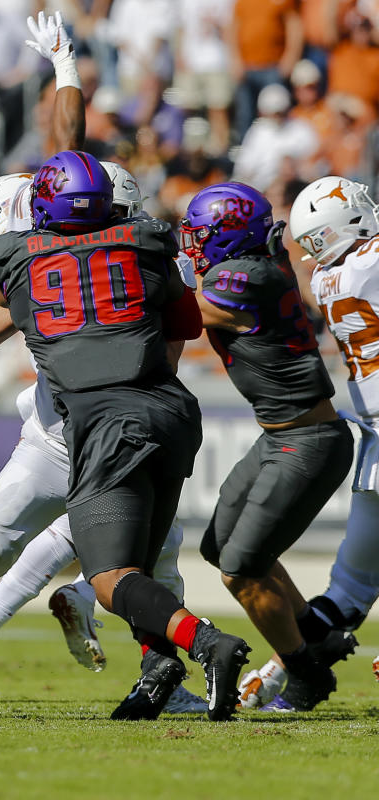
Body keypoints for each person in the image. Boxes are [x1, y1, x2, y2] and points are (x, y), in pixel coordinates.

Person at [0, 151, 252, 722]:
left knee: (149, 566)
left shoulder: (93, 256)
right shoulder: (120, 250)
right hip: (62, 436)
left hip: (109, 427)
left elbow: (163, 348)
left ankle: (164, 673)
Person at [0, 161, 206, 715]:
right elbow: (168, 353)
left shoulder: (79, 250)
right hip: (110, 419)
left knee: (124, 543)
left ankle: (7, 618)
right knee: (142, 551)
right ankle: (165, 665)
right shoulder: (138, 249)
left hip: (95, 415)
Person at [182, 181, 354, 712]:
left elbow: (182, 314)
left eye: (200, 235)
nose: (191, 244)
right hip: (279, 435)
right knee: (219, 550)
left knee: (241, 568)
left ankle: (305, 673)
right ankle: (313, 634)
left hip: (308, 441)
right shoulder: (255, 264)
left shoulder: (246, 275)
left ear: (230, 236)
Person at [233, 177, 378, 709]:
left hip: (374, 442)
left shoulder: (325, 279)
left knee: (348, 593)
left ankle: (279, 679)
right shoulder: (370, 260)